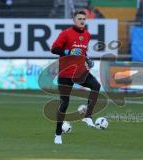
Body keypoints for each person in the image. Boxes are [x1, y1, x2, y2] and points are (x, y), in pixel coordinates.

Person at [51, 10, 101, 144]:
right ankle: (58, 134)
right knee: (64, 103)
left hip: (80, 72)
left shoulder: (87, 35)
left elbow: (82, 51)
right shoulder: (65, 33)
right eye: (79, 18)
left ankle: (88, 116)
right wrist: (68, 51)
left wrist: (87, 59)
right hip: (66, 73)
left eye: (84, 18)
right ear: (74, 20)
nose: (82, 21)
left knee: (96, 86)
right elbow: (54, 49)